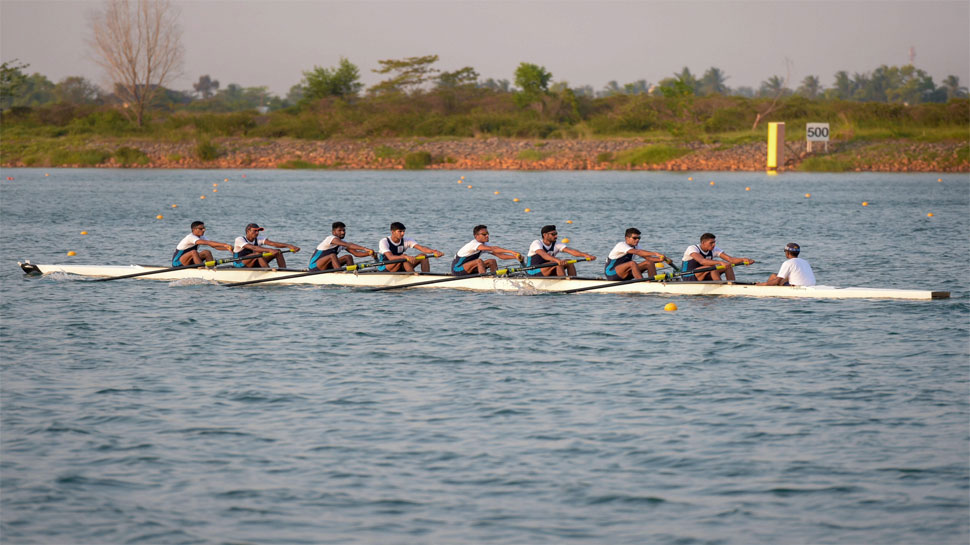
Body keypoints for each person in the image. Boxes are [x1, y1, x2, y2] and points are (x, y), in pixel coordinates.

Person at [525, 224, 596, 277]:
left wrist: (586, 255)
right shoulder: (536, 243)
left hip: (547, 269)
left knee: (569, 262)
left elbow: (571, 251)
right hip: (533, 271)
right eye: (553, 234)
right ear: (545, 235)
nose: (556, 236)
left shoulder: (556, 244)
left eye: (556, 234)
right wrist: (557, 260)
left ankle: (574, 280)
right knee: (557, 262)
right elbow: (544, 255)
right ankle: (563, 281)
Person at [451, 225, 524, 276]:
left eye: (487, 233)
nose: (487, 236)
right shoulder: (474, 244)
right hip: (457, 270)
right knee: (479, 261)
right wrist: (512, 252)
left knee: (492, 261)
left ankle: (495, 277)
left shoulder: (485, 244)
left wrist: (515, 257)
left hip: (469, 268)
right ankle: (484, 279)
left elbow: (501, 256)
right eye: (484, 234)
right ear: (476, 236)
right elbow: (493, 248)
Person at [604, 227, 672, 280]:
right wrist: (656, 253)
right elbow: (637, 252)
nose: (637, 240)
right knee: (632, 263)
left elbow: (649, 258)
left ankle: (653, 282)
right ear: (627, 238)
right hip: (612, 274)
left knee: (649, 262)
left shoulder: (637, 246)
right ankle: (641, 282)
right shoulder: (621, 245)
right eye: (635, 238)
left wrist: (663, 259)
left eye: (639, 238)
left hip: (626, 273)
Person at [681, 232, 755, 281]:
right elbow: (702, 261)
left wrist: (744, 259)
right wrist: (720, 262)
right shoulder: (692, 248)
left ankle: (732, 284)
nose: (714, 245)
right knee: (714, 266)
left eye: (714, 242)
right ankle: (720, 285)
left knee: (728, 265)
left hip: (703, 274)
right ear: (703, 243)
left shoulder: (713, 249)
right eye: (711, 243)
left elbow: (730, 259)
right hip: (688, 276)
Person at [378, 222, 443, 272]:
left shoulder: (407, 240)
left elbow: (422, 248)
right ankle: (413, 275)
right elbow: (390, 257)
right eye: (400, 231)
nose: (402, 233)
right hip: (385, 267)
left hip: (401, 263)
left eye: (403, 231)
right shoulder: (384, 241)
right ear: (392, 232)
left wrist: (434, 251)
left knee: (423, 256)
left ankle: (427, 276)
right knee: (404, 258)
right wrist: (404, 256)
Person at [309, 222, 375, 271]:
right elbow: (348, 245)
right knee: (332, 255)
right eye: (340, 231)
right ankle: (340, 273)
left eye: (344, 230)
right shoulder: (331, 238)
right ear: (333, 232)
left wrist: (369, 253)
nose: (343, 232)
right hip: (315, 266)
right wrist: (364, 248)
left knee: (348, 257)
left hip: (327, 266)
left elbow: (356, 253)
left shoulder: (342, 242)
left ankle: (352, 273)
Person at [233, 223, 300, 268]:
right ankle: (268, 271)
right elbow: (253, 247)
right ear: (248, 231)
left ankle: (284, 270)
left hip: (253, 262)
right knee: (258, 253)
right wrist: (269, 250)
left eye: (258, 231)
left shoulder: (259, 238)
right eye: (255, 231)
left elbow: (273, 243)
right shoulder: (239, 239)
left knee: (278, 251)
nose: (257, 233)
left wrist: (289, 246)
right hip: (240, 264)